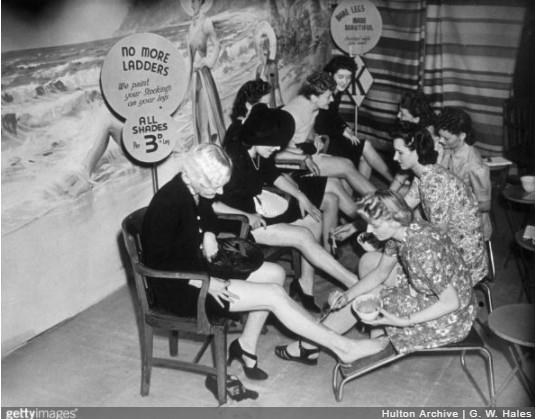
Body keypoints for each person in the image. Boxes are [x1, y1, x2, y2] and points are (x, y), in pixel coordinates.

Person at [141, 142, 377, 381]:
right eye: (215, 186)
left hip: (199, 268)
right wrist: (208, 283)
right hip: (181, 288)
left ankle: (245, 345)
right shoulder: (168, 203)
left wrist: (209, 234)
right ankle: (343, 348)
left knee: (276, 274)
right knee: (274, 295)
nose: (220, 192)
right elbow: (159, 263)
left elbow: (208, 214)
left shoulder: (193, 188)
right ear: (196, 177)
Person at [275, 190, 477, 364]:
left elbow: (451, 302)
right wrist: (347, 295)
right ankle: (315, 343)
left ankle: (320, 343)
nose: (369, 231)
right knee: (363, 293)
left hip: (451, 318)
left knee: (373, 299)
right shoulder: (403, 231)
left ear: (395, 218)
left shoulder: (421, 249)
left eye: (375, 225)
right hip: (434, 295)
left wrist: (403, 321)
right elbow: (380, 272)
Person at [214, 103, 360, 313]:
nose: (276, 149)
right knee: (302, 235)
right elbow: (214, 204)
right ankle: (354, 283)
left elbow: (272, 174)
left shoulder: (258, 151)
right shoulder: (233, 159)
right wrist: (246, 215)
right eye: (273, 145)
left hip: (257, 208)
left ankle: (305, 284)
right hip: (242, 223)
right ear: (258, 137)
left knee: (313, 217)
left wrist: (301, 196)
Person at [224, 79, 359, 253]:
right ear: (248, 106)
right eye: (264, 104)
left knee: (333, 186)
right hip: (268, 191)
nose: (269, 108)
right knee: (331, 196)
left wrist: (303, 157)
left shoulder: (262, 129)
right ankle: (357, 227)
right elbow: (267, 171)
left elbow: (272, 161)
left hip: (277, 180)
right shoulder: (244, 135)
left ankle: (352, 231)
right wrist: (299, 173)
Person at [278, 71, 376, 196]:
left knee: (346, 169)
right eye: (328, 97)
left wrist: (315, 136)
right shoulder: (293, 115)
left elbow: (307, 126)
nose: (332, 99)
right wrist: (304, 156)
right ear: (314, 97)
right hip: (294, 164)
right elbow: (276, 151)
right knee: (346, 166)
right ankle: (383, 203)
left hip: (306, 152)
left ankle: (364, 203)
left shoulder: (312, 104)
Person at [316, 55, 394, 185]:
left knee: (364, 153)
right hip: (325, 141)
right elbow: (320, 124)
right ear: (330, 74)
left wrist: (344, 127)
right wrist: (342, 131)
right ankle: (393, 182)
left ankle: (366, 192)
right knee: (365, 146)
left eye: (348, 78)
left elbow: (333, 116)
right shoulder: (324, 93)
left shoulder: (336, 90)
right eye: (340, 77)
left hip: (333, 136)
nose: (345, 82)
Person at [436, 107, 492, 241]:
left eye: (446, 138)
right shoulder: (451, 148)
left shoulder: (474, 165)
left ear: (462, 136)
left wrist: (453, 208)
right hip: (452, 216)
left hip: (471, 226)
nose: (441, 141)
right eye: (440, 136)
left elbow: (485, 205)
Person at [185, 0, 226, 144]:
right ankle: (204, 147)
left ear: (201, 2)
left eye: (195, 1)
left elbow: (217, 44)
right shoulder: (191, 26)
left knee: (206, 116)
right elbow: (190, 57)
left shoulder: (206, 22)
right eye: (191, 1)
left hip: (203, 76)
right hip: (195, 77)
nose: (192, 5)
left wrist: (209, 62)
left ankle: (212, 146)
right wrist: (188, 82)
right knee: (198, 117)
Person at [390, 91, 440, 193]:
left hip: (432, 186)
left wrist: (388, 194)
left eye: (402, 114)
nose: (398, 116)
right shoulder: (415, 131)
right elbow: (401, 175)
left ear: (416, 119)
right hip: (417, 181)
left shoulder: (427, 139)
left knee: (394, 196)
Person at [255, 22, 284, 108]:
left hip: (272, 100)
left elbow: (274, 85)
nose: (264, 51)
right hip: (263, 101)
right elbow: (256, 85)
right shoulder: (259, 68)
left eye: (265, 47)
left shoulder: (272, 66)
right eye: (261, 46)